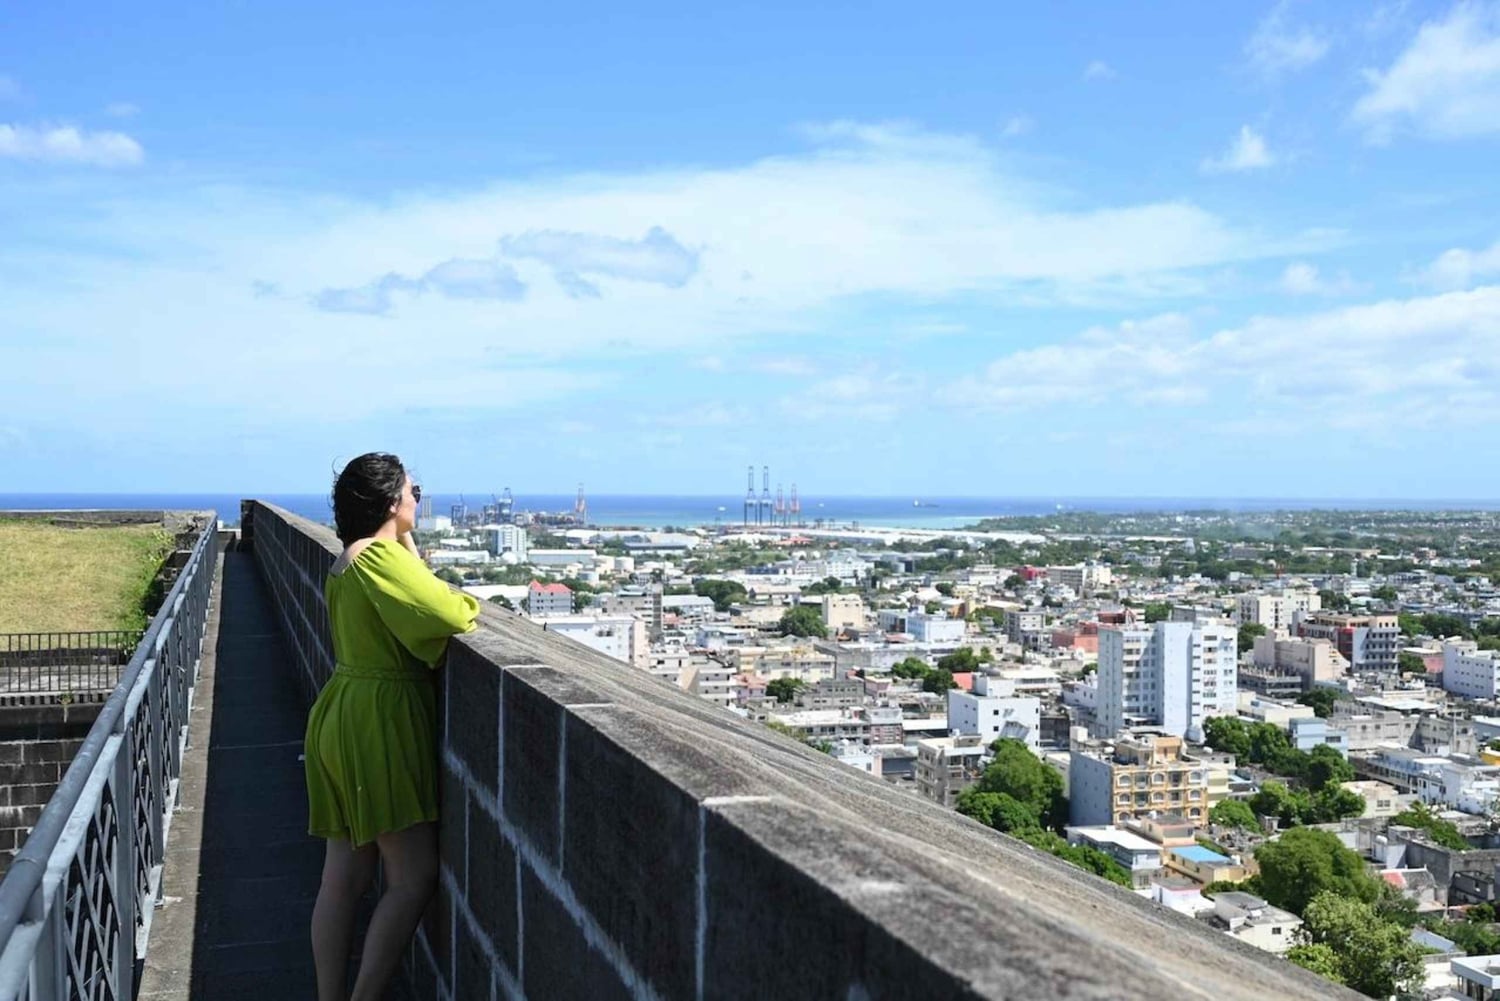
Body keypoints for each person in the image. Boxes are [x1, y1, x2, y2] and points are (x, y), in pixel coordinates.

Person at [305, 452, 478, 1001]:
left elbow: (411, 589)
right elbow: (449, 613)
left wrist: (406, 541)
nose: (417, 501)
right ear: (390, 502)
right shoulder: (379, 557)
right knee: (412, 877)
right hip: (377, 720)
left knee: (342, 880)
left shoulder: (351, 556)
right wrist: (460, 596)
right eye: (412, 492)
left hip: (342, 709)